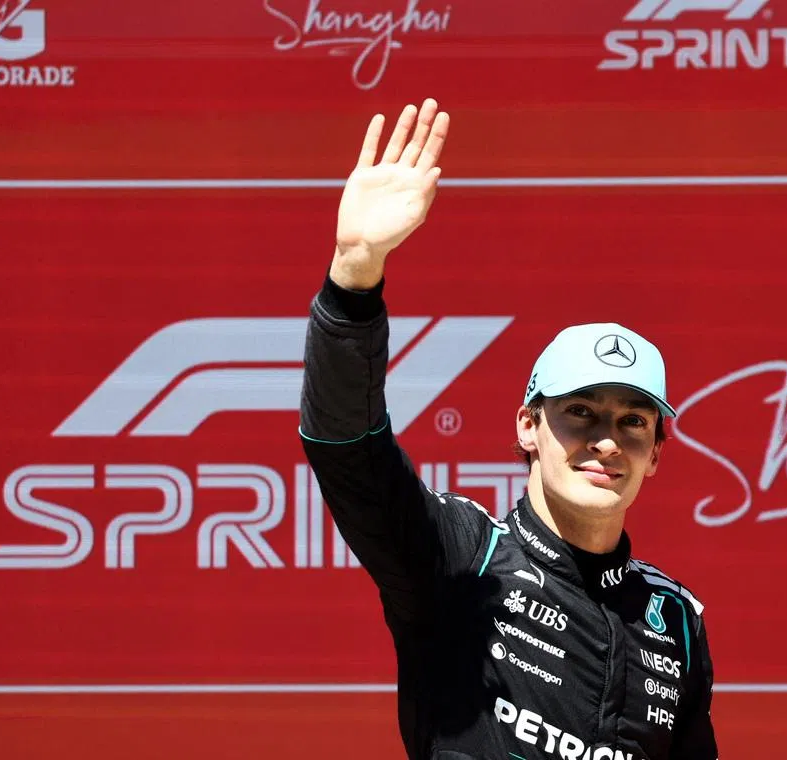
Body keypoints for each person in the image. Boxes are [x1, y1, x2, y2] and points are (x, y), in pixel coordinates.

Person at [299, 98, 718, 760]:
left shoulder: (675, 623)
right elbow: (348, 447)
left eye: (633, 421)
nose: (607, 441)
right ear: (528, 425)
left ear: (657, 454)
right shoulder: (462, 560)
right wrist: (354, 272)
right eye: (580, 412)